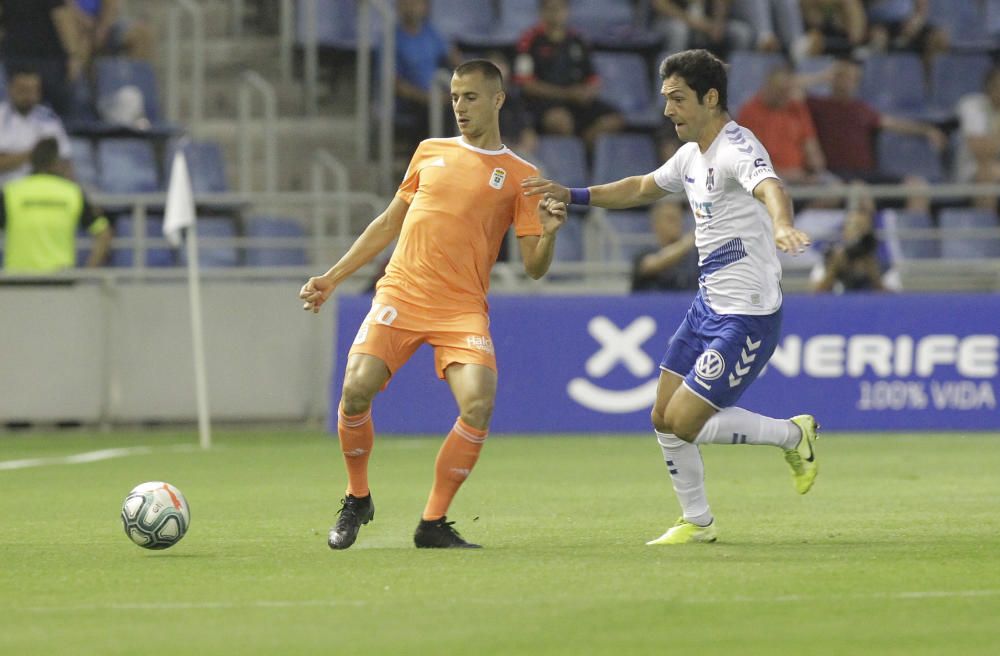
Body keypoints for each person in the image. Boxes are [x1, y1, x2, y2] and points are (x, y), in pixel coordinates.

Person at [523, 49, 819, 545]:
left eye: (677, 99)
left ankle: (794, 435)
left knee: (685, 421)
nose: (667, 111)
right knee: (662, 417)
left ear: (710, 97)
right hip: (707, 306)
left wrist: (783, 223)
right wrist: (573, 194)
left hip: (746, 316)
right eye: (665, 99)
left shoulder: (735, 147)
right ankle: (697, 521)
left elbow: (770, 185)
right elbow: (640, 186)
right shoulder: (689, 155)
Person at [299, 60, 567, 550]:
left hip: (461, 306)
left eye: (470, 97)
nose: (460, 107)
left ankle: (433, 523)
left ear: (498, 100)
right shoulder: (429, 152)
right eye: (454, 98)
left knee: (479, 404)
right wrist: (332, 277)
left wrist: (548, 236)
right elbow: (387, 223)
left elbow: (534, 265)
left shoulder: (523, 177)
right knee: (356, 389)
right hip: (402, 292)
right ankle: (357, 497)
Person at [806, 56, 946, 183]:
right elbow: (789, 87)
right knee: (859, 189)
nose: (851, 83)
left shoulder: (861, 108)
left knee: (915, 185)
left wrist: (926, 130)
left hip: (868, 174)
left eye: (855, 79)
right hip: (838, 175)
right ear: (834, 78)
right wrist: (822, 76)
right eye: (845, 77)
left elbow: (892, 123)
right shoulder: (818, 105)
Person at [513, 0, 624, 149]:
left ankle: (583, 153)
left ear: (568, 11)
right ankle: (569, 158)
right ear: (542, 12)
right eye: (551, 9)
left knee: (614, 120)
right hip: (544, 103)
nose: (556, 14)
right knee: (560, 122)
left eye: (561, 9)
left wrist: (588, 92)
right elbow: (526, 85)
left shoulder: (577, 41)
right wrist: (566, 94)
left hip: (576, 102)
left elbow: (593, 78)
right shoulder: (529, 40)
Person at [0, 138, 111, 273]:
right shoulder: (72, 193)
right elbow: (104, 234)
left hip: (18, 279)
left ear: (31, 161)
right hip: (60, 279)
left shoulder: (11, 192)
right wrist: (87, 273)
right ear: (56, 162)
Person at [736, 61, 829, 185]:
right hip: (769, 175)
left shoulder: (796, 108)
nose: (784, 96)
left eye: (787, 91)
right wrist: (788, 175)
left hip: (801, 175)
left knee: (835, 188)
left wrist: (815, 166)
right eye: (779, 90)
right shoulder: (750, 111)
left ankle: (808, 205)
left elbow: (811, 146)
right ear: (767, 86)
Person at [393, 0, 463, 150]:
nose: (412, 8)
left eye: (418, 3)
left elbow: (455, 59)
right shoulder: (392, 39)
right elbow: (395, 84)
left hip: (438, 95)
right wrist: (427, 98)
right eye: (408, 3)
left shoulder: (431, 33)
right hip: (411, 102)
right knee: (439, 112)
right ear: (399, 6)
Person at [0, 0, 85, 117]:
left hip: (15, 55)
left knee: (21, 113)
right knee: (61, 113)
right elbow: (61, 16)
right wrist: (73, 55)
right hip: (48, 58)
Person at [0, 66, 73, 187]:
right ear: (10, 89)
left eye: (31, 91)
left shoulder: (49, 119)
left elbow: (64, 162)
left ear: (39, 93)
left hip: (40, 190)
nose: (26, 96)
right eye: (22, 90)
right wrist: (34, 154)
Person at [956, 65, 1000, 210]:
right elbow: (981, 152)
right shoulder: (971, 105)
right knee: (986, 171)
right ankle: (986, 227)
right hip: (971, 169)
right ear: (989, 86)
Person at [631, 199, 699, 292]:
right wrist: (691, 238)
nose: (677, 223)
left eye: (679, 218)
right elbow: (652, 265)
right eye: (671, 219)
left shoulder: (693, 258)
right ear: (656, 223)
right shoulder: (644, 254)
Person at [651, 0, 755, 57]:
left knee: (741, 33)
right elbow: (660, 4)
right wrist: (696, 23)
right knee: (679, 30)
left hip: (708, 24)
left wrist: (718, 23)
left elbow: (721, 3)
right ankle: (673, 81)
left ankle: (737, 85)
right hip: (673, 21)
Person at [72, 0, 155, 65]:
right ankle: (78, 83)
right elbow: (65, 8)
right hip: (74, 27)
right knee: (81, 44)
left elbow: (111, 7)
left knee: (141, 34)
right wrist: (85, 23)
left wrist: (102, 28)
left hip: (101, 26)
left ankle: (134, 81)